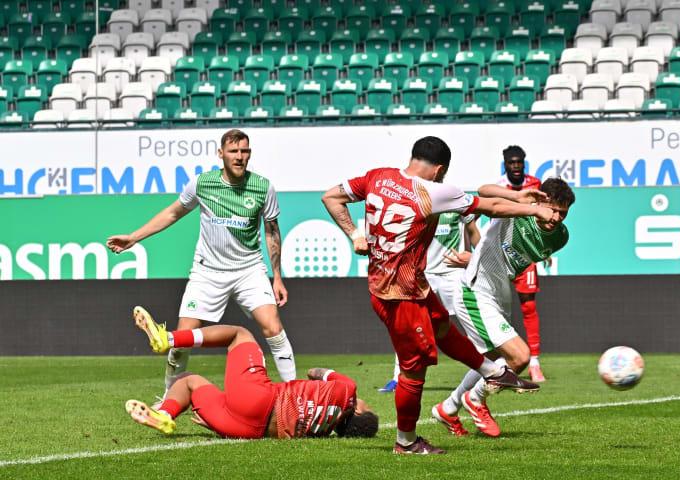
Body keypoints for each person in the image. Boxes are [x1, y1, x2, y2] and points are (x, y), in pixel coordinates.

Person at [321, 136, 554, 454]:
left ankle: (493, 372)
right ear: (440, 169)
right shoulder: (435, 191)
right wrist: (534, 209)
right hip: (400, 297)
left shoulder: (378, 176)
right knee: (412, 371)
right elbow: (493, 206)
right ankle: (406, 442)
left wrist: (355, 235)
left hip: (395, 285)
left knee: (442, 325)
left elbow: (331, 197)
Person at [106, 129, 296, 403]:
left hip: (249, 270)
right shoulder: (202, 184)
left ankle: (294, 394)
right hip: (207, 272)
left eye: (244, 151)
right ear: (221, 154)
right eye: (233, 151)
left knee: (273, 326)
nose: (239, 157)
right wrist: (134, 238)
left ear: (249, 154)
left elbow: (272, 231)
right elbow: (173, 213)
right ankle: (168, 400)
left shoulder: (263, 187)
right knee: (183, 339)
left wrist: (276, 277)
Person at [432, 178, 575, 438]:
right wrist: (520, 197)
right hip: (475, 289)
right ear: (541, 201)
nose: (556, 218)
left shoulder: (560, 238)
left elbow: (505, 256)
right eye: (552, 209)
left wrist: (473, 257)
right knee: (520, 357)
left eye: (562, 213)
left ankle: (447, 408)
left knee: (490, 362)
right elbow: (484, 192)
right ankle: (475, 400)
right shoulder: (519, 208)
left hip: (499, 292)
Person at [125, 306, 378, 439]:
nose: (365, 402)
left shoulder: (348, 391)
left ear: (357, 410)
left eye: (368, 407)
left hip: (262, 400)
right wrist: (220, 424)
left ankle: (167, 337)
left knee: (239, 334)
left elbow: (317, 372)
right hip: (247, 430)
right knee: (188, 381)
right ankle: (165, 415)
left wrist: (316, 378)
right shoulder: (324, 432)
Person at [378, 213, 481, 394]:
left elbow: (475, 225)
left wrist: (479, 258)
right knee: (408, 327)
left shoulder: (455, 201)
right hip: (423, 274)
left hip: (453, 273)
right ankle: (397, 378)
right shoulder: (419, 204)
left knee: (472, 322)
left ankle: (488, 371)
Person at [499, 145, 547, 382]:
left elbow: (544, 216)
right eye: (512, 162)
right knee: (501, 308)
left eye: (520, 162)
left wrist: (543, 247)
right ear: (506, 164)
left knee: (528, 306)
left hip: (527, 255)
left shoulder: (536, 184)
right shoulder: (498, 187)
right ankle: (505, 361)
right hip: (504, 253)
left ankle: (535, 362)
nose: (516, 166)